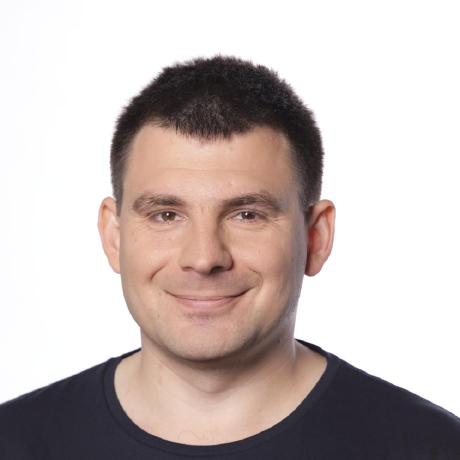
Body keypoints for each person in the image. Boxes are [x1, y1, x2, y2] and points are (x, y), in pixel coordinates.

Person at [0, 55, 459, 459]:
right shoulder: (14, 442)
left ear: (316, 238)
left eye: (246, 214)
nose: (204, 258)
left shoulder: (432, 448)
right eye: (166, 215)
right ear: (114, 236)